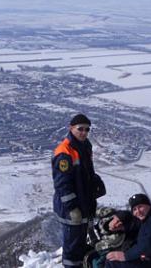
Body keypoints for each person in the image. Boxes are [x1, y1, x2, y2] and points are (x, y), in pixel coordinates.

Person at [52, 114, 104, 268]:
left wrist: (95, 182)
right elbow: (62, 184)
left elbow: (86, 172)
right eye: (80, 129)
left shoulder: (85, 146)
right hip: (71, 209)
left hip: (84, 204)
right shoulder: (64, 151)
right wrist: (72, 208)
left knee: (81, 244)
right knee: (72, 249)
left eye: (87, 129)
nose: (83, 132)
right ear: (71, 128)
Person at [105, 194, 151, 268]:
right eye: (134, 209)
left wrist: (125, 255)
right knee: (111, 259)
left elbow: (147, 245)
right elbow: (129, 221)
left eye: (140, 207)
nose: (138, 211)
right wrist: (116, 221)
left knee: (113, 263)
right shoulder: (146, 221)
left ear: (149, 205)